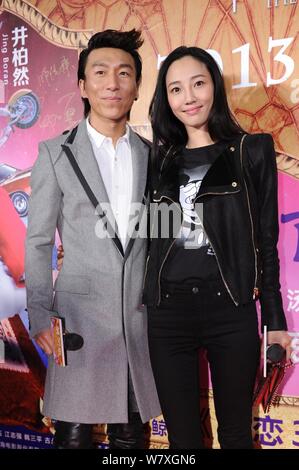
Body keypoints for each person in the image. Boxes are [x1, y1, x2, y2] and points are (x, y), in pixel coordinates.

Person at [142, 46, 291, 449]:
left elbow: (265, 242)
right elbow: (149, 239)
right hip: (168, 313)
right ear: (165, 98)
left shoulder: (251, 151)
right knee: (183, 441)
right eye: (175, 89)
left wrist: (273, 319)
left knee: (237, 435)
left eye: (198, 84)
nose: (188, 97)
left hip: (231, 309)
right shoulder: (156, 162)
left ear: (215, 87)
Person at [25, 29, 160, 449]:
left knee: (131, 432)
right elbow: (38, 241)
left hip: (137, 317)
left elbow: (158, 238)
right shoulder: (55, 152)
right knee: (73, 433)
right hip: (77, 318)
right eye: (100, 72)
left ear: (137, 86)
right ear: (83, 85)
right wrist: (41, 313)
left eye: (124, 73)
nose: (112, 83)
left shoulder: (154, 156)